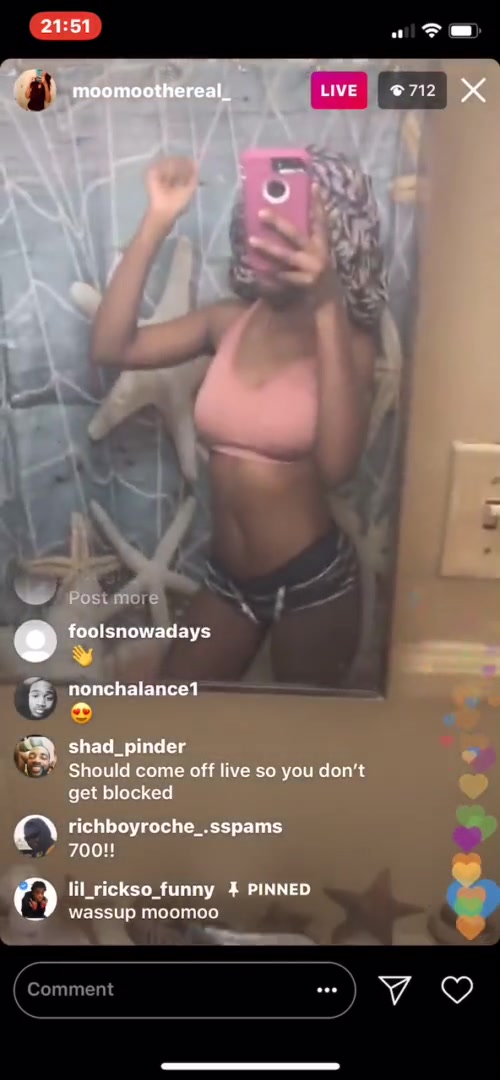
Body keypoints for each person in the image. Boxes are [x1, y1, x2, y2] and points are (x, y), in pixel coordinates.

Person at [91, 148, 387, 688]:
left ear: (337, 241)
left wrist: (327, 301)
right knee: (174, 707)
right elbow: (112, 346)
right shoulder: (227, 323)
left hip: (313, 583)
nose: (269, 244)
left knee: (299, 733)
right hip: (227, 581)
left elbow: (337, 468)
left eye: (291, 231)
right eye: (261, 227)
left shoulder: (350, 346)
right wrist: (158, 219)